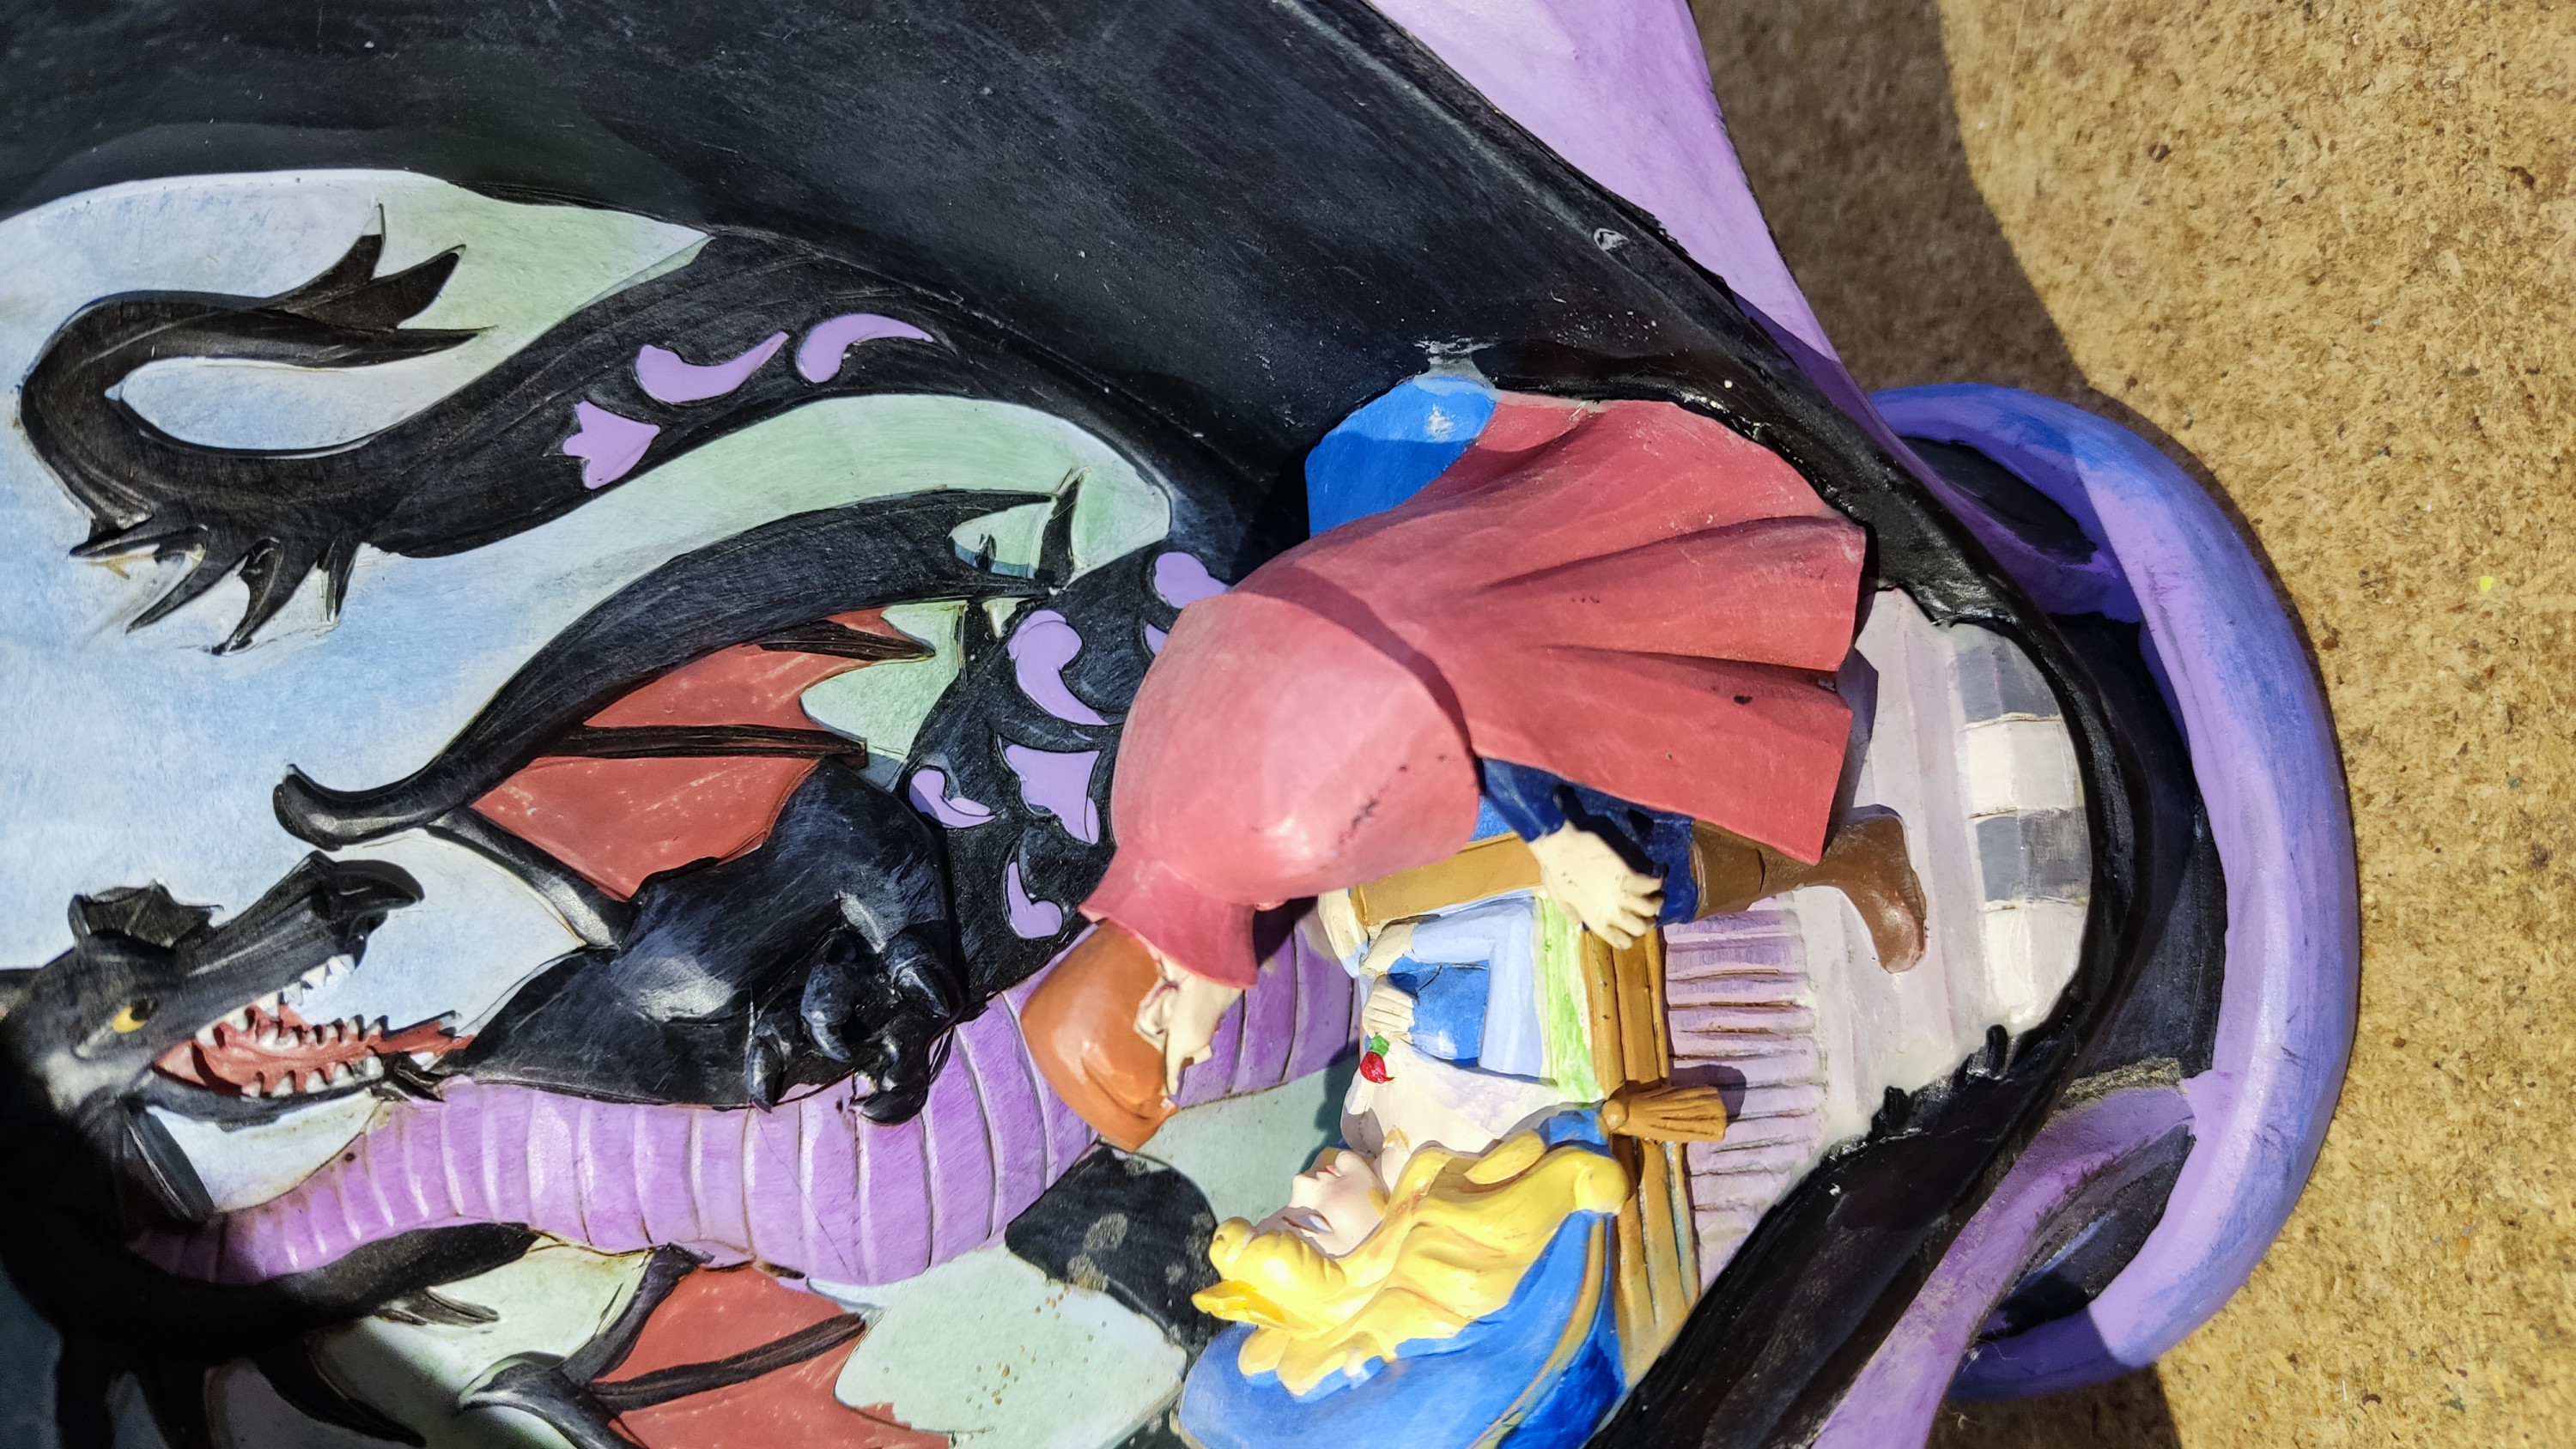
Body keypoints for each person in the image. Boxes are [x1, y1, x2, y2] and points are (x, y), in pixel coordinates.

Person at [1029, 387, 1928, 1126]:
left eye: (1182, 1059)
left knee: (1627, 874)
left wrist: (1559, 846)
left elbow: (1458, 692)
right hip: (1398, 586)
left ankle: (1843, 844)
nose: (1204, 1050)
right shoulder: (1146, 816)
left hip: (1484, 599)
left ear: (1155, 1007)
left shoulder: (1273, 833)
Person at [1176, 1115, 1629, 1449]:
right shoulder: (1448, 1198)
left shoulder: (1365, 1129)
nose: (1300, 1182)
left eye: (1288, 1208)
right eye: (1312, 1220)